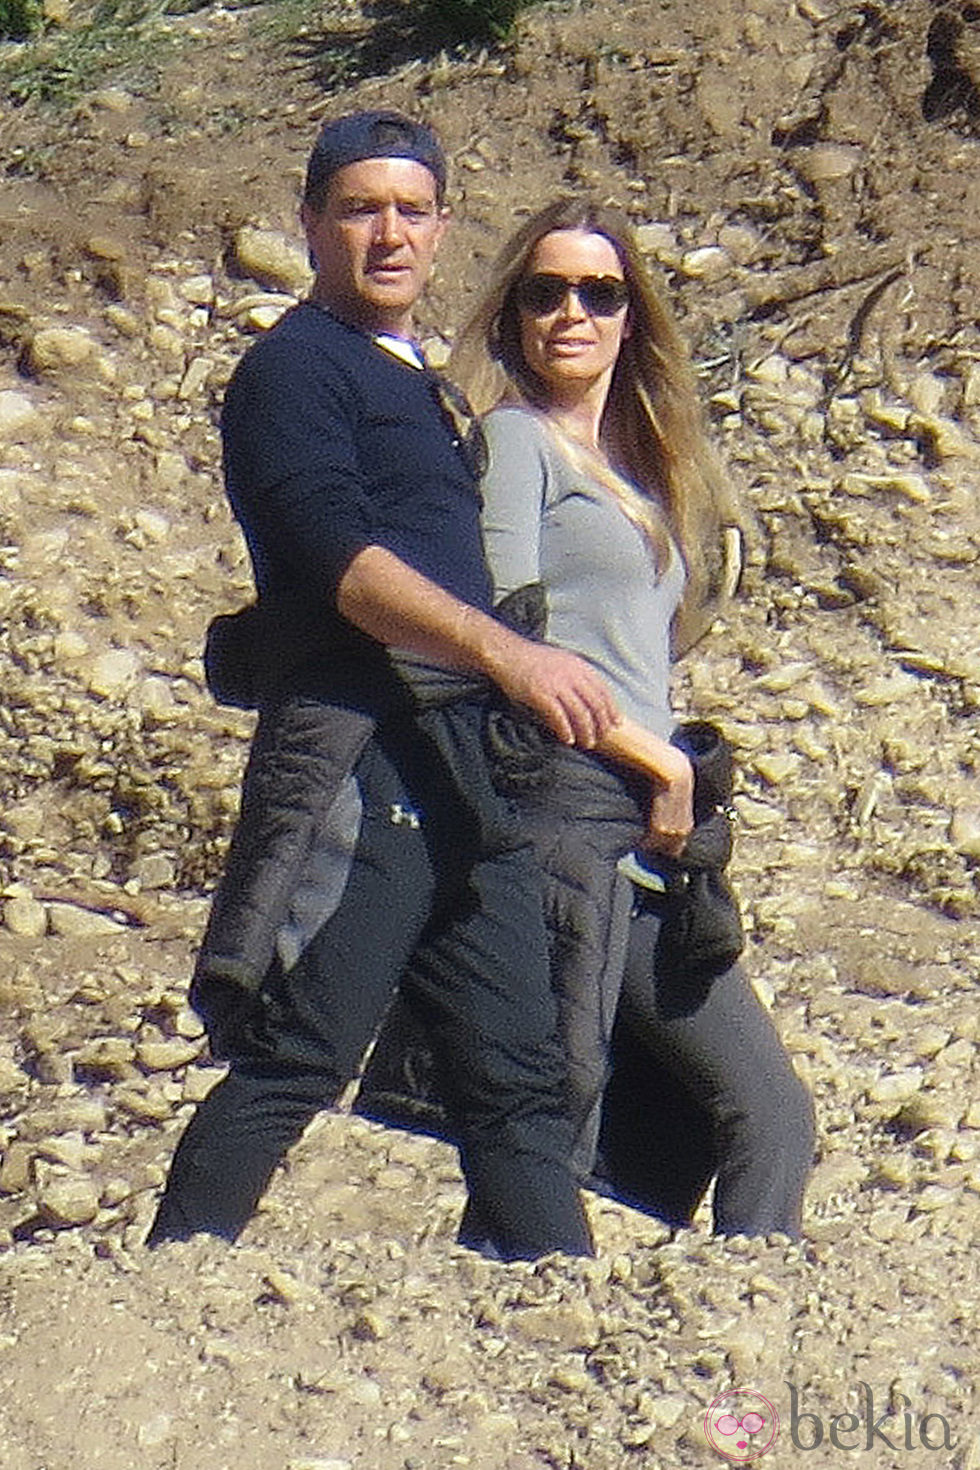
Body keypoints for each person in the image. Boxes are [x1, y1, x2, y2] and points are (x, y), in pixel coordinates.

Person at [146, 114, 622, 1261]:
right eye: (360, 207)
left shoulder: (421, 385)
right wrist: (510, 655)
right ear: (309, 222)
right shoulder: (294, 370)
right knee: (301, 1045)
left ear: (444, 227)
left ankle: (568, 1313)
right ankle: (160, 1293)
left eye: (412, 209)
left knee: (517, 1077)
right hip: (368, 744)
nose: (388, 232)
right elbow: (347, 568)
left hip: (465, 761)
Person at [361, 197, 814, 1239]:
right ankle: (517, 1339)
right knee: (551, 1108)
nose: (571, 312)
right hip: (561, 817)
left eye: (597, 292)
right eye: (544, 291)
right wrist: (647, 755)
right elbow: (506, 638)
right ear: (516, 311)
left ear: (629, 316)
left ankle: (727, 1356)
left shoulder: (646, 476)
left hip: (646, 840)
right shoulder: (514, 442)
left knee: (755, 1113)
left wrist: (666, 768)